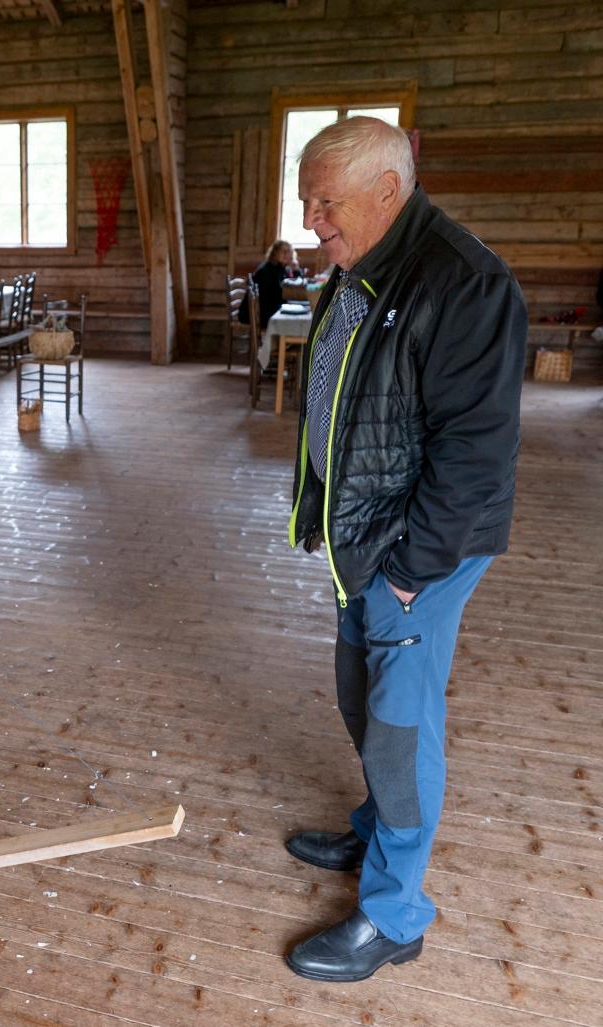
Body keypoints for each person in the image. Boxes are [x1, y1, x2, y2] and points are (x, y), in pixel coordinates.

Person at [282, 116, 525, 983]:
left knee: (397, 724)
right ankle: (374, 825)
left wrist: (413, 571)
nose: (312, 218)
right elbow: (345, 400)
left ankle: (394, 915)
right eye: (307, 198)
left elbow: (476, 452)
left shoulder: (464, 284)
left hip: (415, 552)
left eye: (326, 200)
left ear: (390, 189)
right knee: (361, 693)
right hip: (365, 540)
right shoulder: (362, 267)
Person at [238, 239, 294, 328]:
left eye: (289, 251)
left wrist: (296, 270)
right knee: (291, 320)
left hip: (264, 309)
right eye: (284, 251)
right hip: (253, 314)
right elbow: (273, 297)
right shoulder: (267, 270)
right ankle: (284, 341)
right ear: (275, 253)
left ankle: (285, 341)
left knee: (292, 314)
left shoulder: (279, 268)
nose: (287, 254)